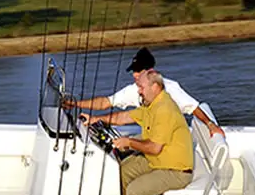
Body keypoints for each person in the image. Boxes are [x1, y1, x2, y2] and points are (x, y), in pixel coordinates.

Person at [81, 71, 193, 195]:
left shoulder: (164, 110)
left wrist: (128, 143)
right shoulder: (152, 104)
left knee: (134, 192)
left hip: (176, 171)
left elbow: (154, 148)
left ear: (155, 87)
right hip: (158, 160)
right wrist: (95, 119)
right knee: (123, 170)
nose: (139, 92)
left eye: (141, 88)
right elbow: (123, 117)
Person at [65, 47, 225, 137]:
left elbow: (194, 107)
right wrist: (75, 104)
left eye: (138, 71)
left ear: (151, 71)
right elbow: (106, 102)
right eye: (133, 71)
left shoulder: (171, 88)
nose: (134, 75)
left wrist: (211, 125)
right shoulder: (134, 90)